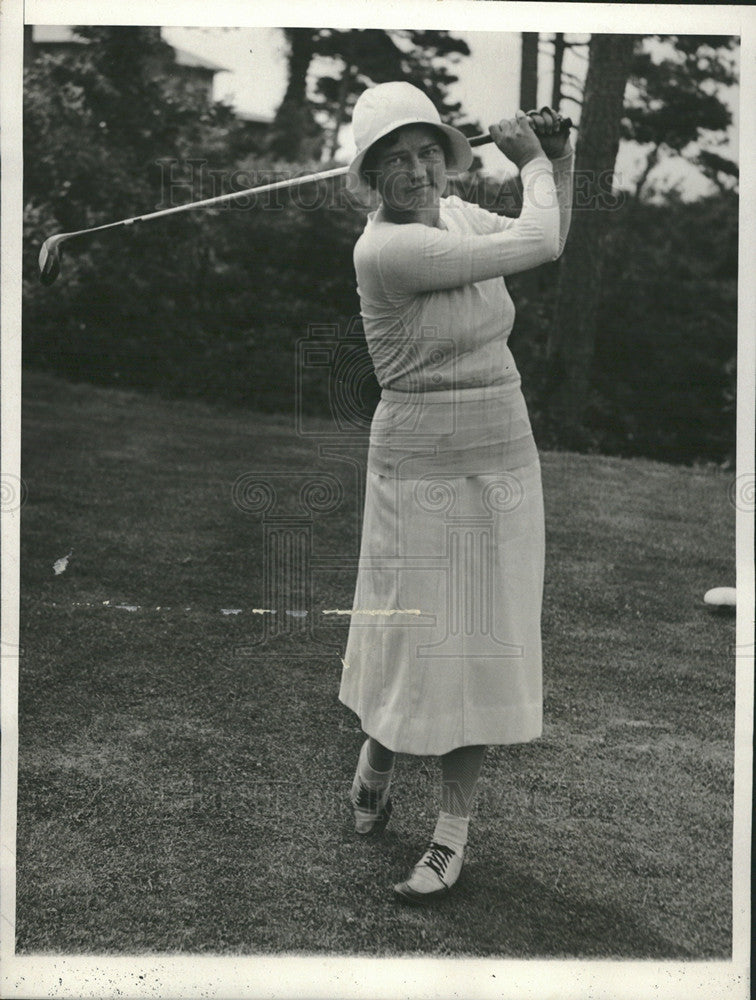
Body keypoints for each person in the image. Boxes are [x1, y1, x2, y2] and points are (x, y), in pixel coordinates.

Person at [338, 81, 574, 903]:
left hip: (502, 448)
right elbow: (541, 242)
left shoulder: (462, 217)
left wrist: (561, 162)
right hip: (419, 461)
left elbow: (550, 234)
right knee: (416, 642)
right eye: (394, 159)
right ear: (369, 176)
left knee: (478, 643)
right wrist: (537, 162)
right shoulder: (386, 251)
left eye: (426, 151)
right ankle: (376, 758)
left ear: (446, 155)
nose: (416, 170)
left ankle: (450, 835)